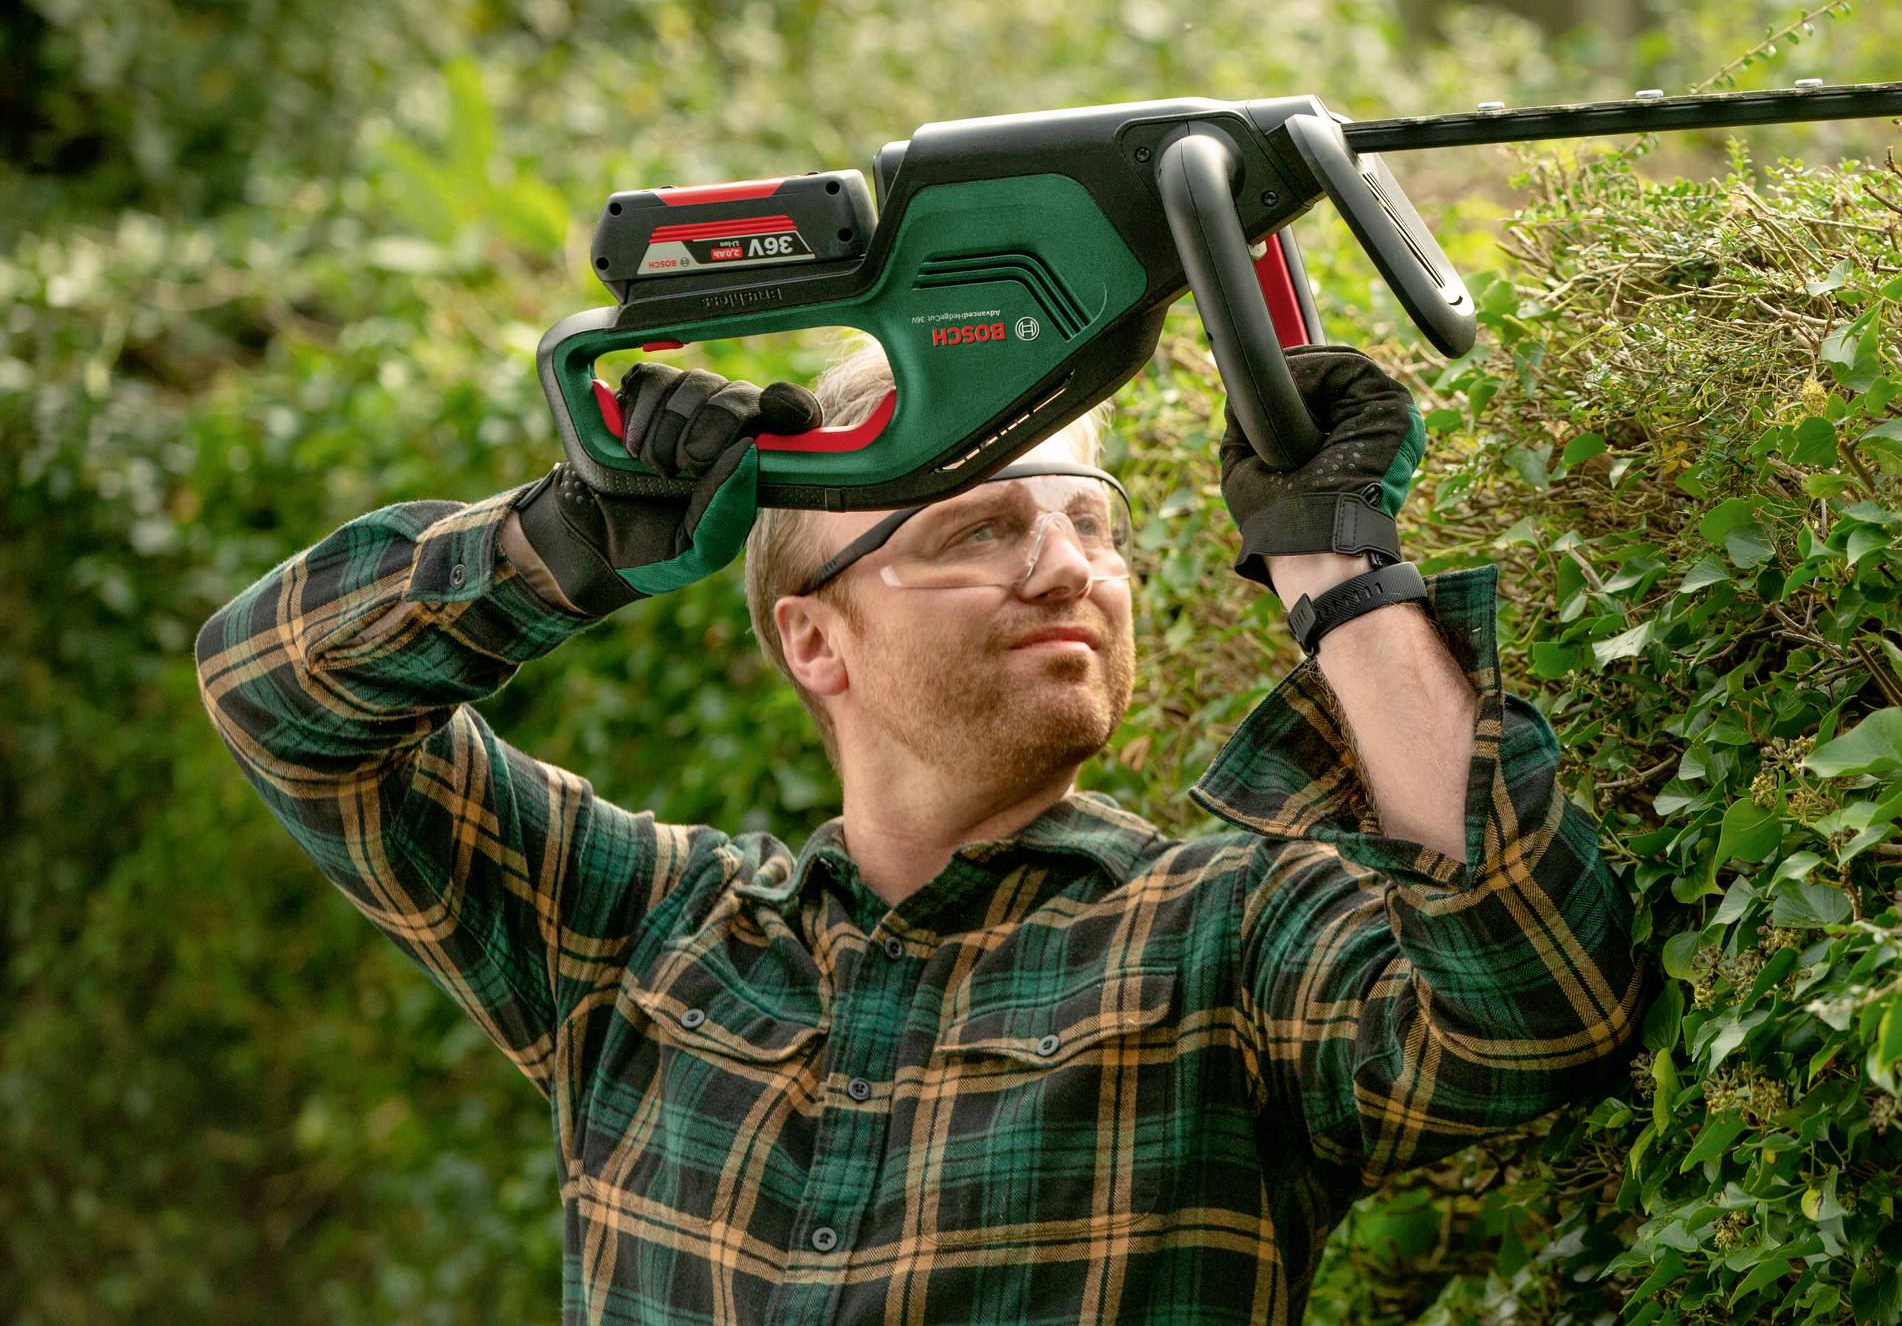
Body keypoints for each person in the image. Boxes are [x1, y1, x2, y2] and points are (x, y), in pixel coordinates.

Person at [194, 340, 1648, 1324]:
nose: (1071, 566)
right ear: (814, 639)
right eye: (981, 530)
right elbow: (276, 696)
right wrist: (555, 544)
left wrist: (1340, 574)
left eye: (1097, 524)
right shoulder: (642, 936)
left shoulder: (1228, 940)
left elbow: (1544, 1008)